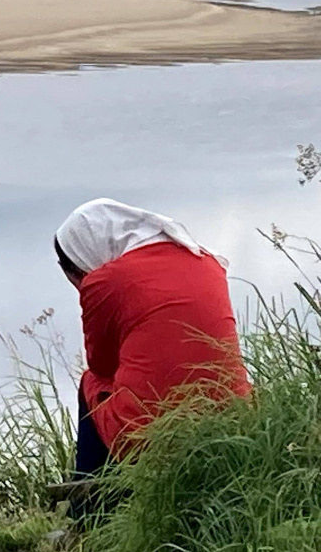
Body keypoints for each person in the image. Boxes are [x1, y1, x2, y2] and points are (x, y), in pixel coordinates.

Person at [54, 198, 251, 480]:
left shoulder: (105, 282)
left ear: (84, 258)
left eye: (76, 274)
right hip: (233, 417)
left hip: (154, 436)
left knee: (91, 384)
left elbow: (102, 365)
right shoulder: (205, 261)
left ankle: (90, 507)